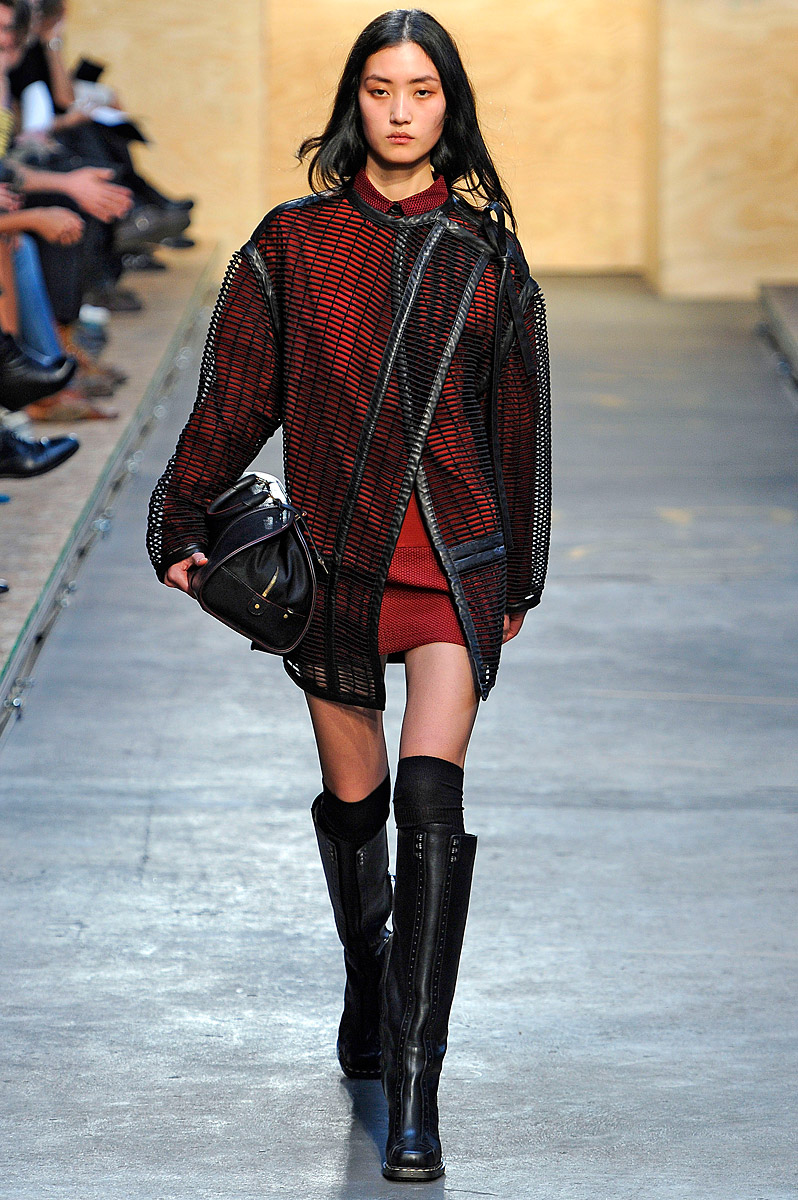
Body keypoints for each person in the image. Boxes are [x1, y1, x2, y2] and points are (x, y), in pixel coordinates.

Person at [147, 9, 551, 1184]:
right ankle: (368, 984)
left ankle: (416, 1093)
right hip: (335, 567)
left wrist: (518, 575)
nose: (400, 111)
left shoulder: (486, 258)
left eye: (422, 91)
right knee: (355, 805)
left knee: (430, 800)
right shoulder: (293, 246)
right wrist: (179, 518)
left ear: (448, 106)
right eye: (380, 89)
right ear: (354, 102)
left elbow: (517, 427)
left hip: (455, 563)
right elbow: (236, 398)